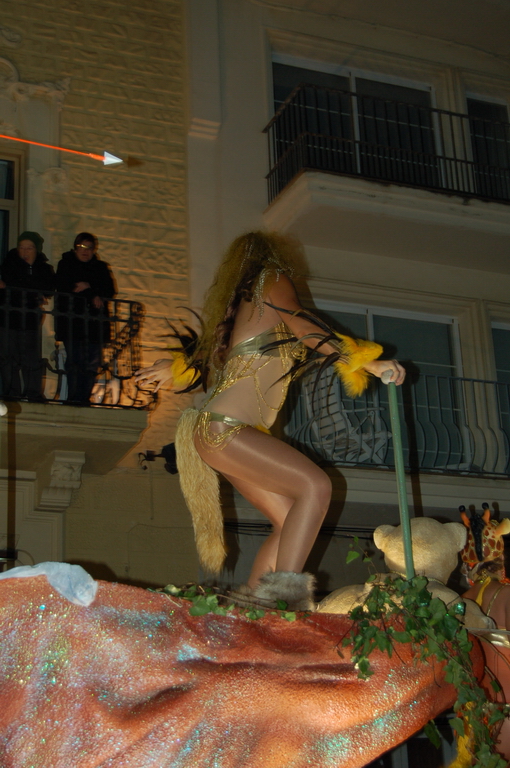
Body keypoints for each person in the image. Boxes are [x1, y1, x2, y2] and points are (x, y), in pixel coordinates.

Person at [135, 231, 405, 609]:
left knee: (290, 519)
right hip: (227, 429)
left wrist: (177, 367)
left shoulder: (245, 308)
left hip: (218, 432)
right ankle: (285, 600)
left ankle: (255, 614)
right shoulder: (272, 278)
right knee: (315, 487)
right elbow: (306, 328)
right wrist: (367, 362)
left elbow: (208, 361)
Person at [55, 233, 115, 405]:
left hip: (95, 324)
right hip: (72, 323)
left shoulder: (100, 267)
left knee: (92, 362)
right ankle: (73, 397)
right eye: (82, 247)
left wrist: (89, 287)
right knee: (75, 360)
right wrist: (93, 293)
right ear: (75, 248)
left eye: (89, 247)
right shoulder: (66, 264)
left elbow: (110, 290)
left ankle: (84, 397)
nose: (85, 251)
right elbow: (68, 287)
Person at [0, 231, 55, 400]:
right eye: (21, 247)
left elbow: (48, 288)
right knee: (9, 356)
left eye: (29, 248)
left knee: (30, 356)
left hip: (30, 317)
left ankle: (33, 393)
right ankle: (12, 393)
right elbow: (11, 283)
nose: (25, 251)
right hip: (9, 316)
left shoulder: (43, 268)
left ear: (36, 250)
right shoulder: (10, 263)